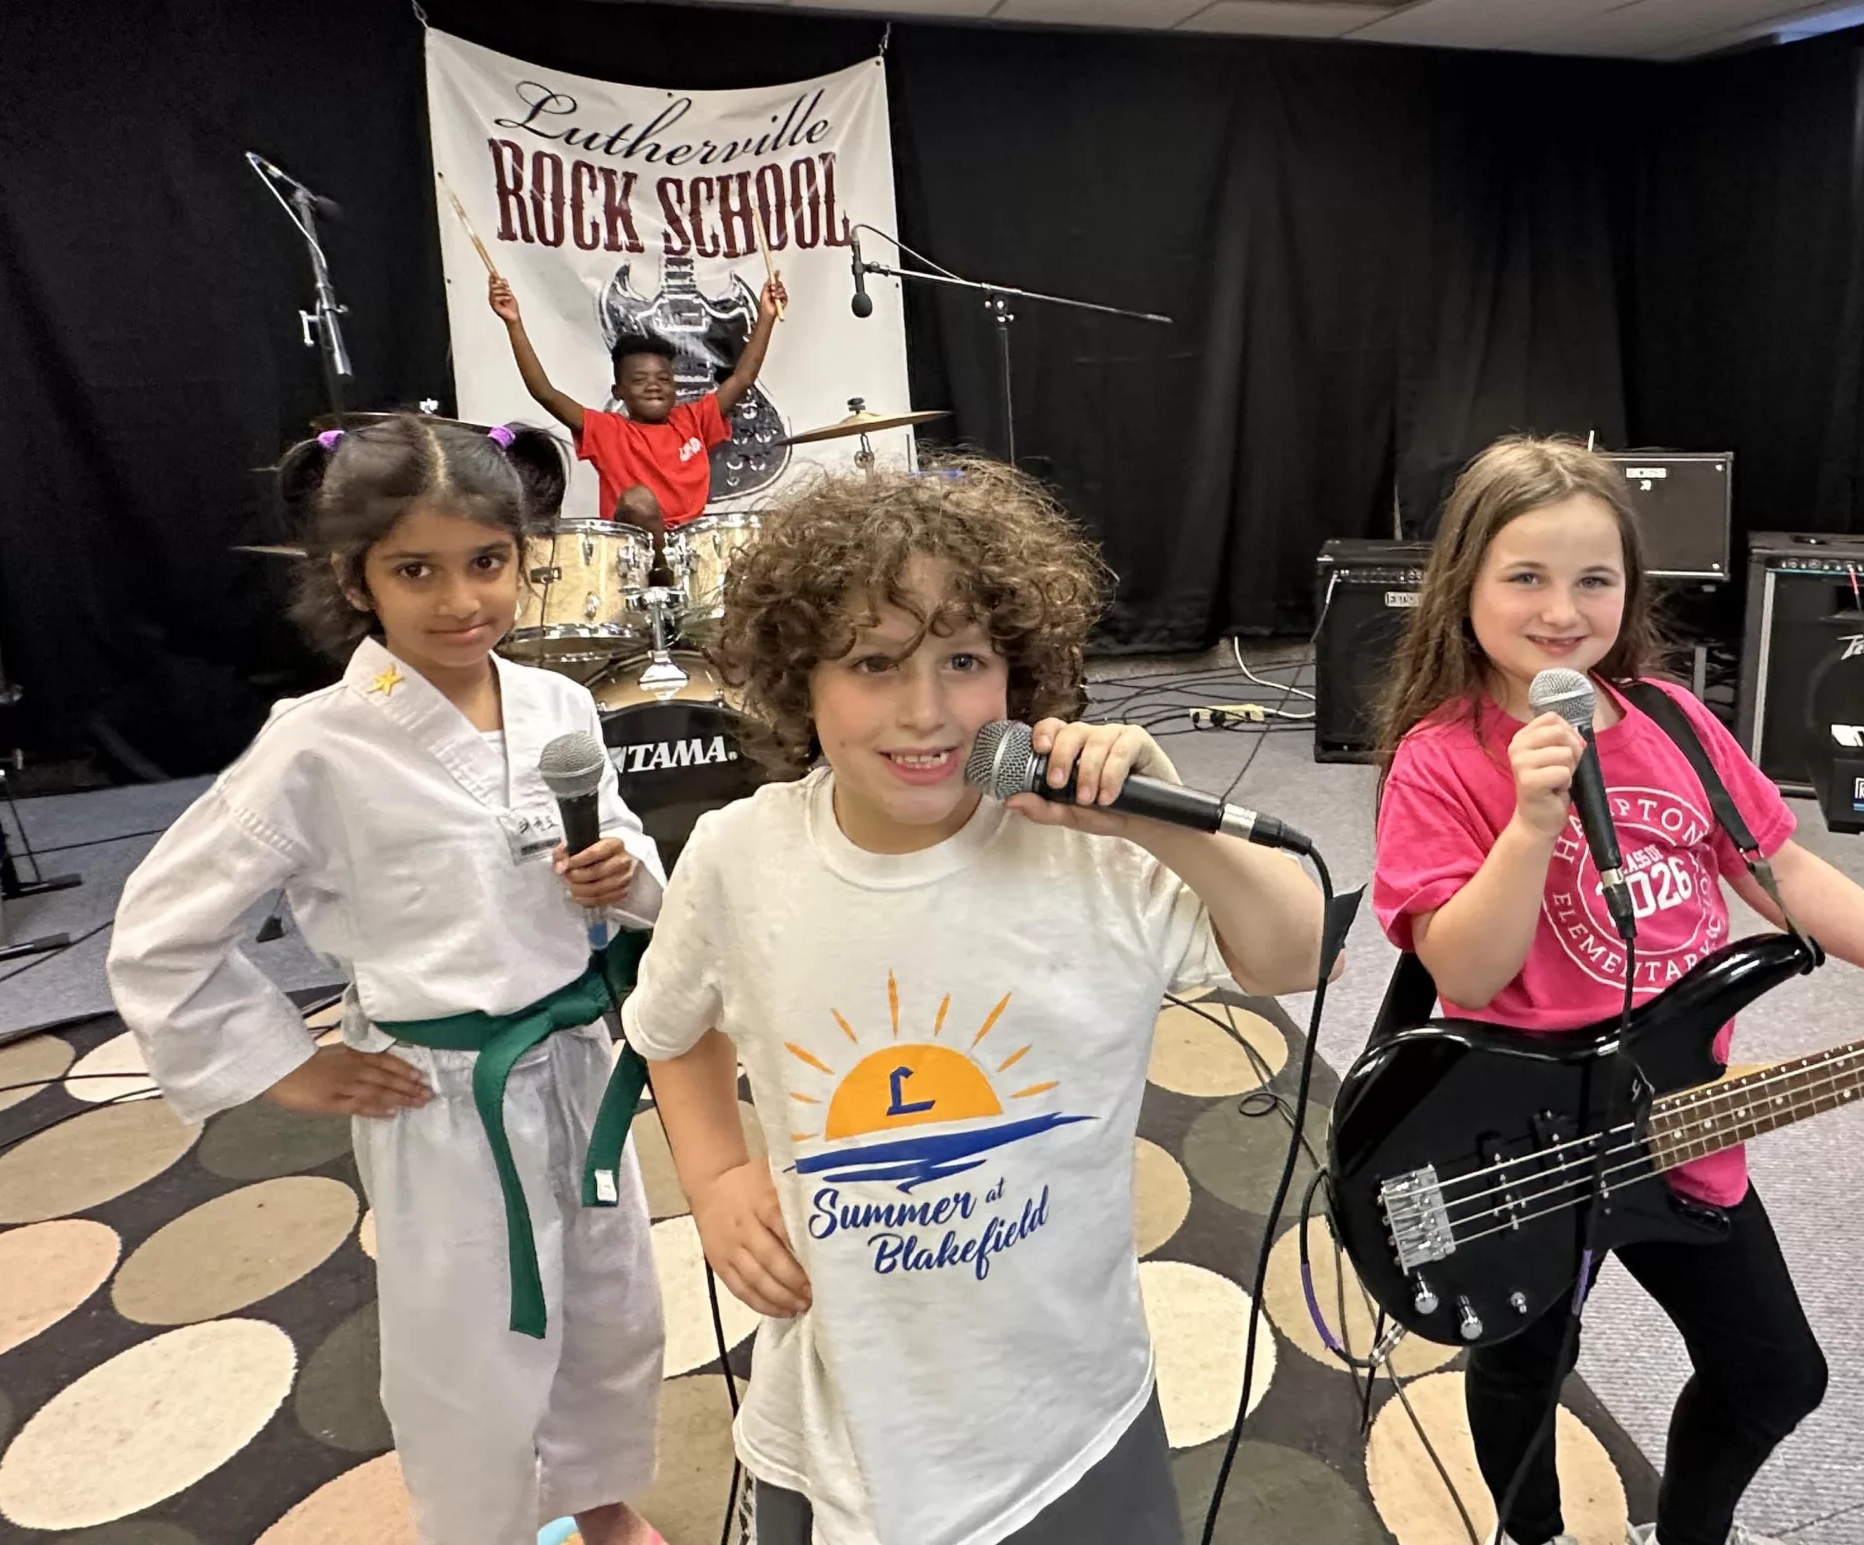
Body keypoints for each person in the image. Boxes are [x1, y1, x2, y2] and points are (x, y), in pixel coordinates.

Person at [1369, 435, 1864, 1545]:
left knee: (1772, 1374)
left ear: (1629, 591)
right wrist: (1530, 824)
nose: (1562, 609)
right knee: (1522, 1360)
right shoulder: (1442, 757)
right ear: (1463, 586)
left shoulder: (1669, 718)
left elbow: (1782, 872)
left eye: (1593, 579)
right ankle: (1534, 1535)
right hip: (1513, 1138)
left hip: (1683, 1119)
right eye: (1525, 577)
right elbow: (1463, 969)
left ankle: (1688, 1531)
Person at [619, 459, 1328, 1545]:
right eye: (873, 663)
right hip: (844, 1419)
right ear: (799, 680)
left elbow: (1298, 952)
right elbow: (670, 1031)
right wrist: (714, 1180)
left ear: (1018, 674)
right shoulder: (740, 856)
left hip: (1067, 1416)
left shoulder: (1089, 856)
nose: (926, 710)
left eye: (963, 661)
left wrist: (1162, 815)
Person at [106, 415, 669, 1545]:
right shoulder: (314, 747)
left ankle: (604, 1510)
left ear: (525, 556)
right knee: (470, 1350)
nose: (462, 601)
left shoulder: (556, 706)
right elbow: (161, 932)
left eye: (488, 562)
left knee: (611, 1310)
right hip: (442, 1096)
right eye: (416, 570)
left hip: (574, 1061)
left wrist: (624, 874)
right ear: (353, 580)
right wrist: (284, 1063)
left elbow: (617, 843)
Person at [489, 269, 787, 535]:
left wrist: (766, 316)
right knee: (639, 502)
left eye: (663, 378)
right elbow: (545, 392)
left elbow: (742, 378)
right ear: (618, 392)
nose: (654, 385)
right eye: (640, 379)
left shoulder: (694, 420)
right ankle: (660, 571)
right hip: (635, 553)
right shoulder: (606, 430)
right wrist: (513, 323)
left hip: (692, 549)